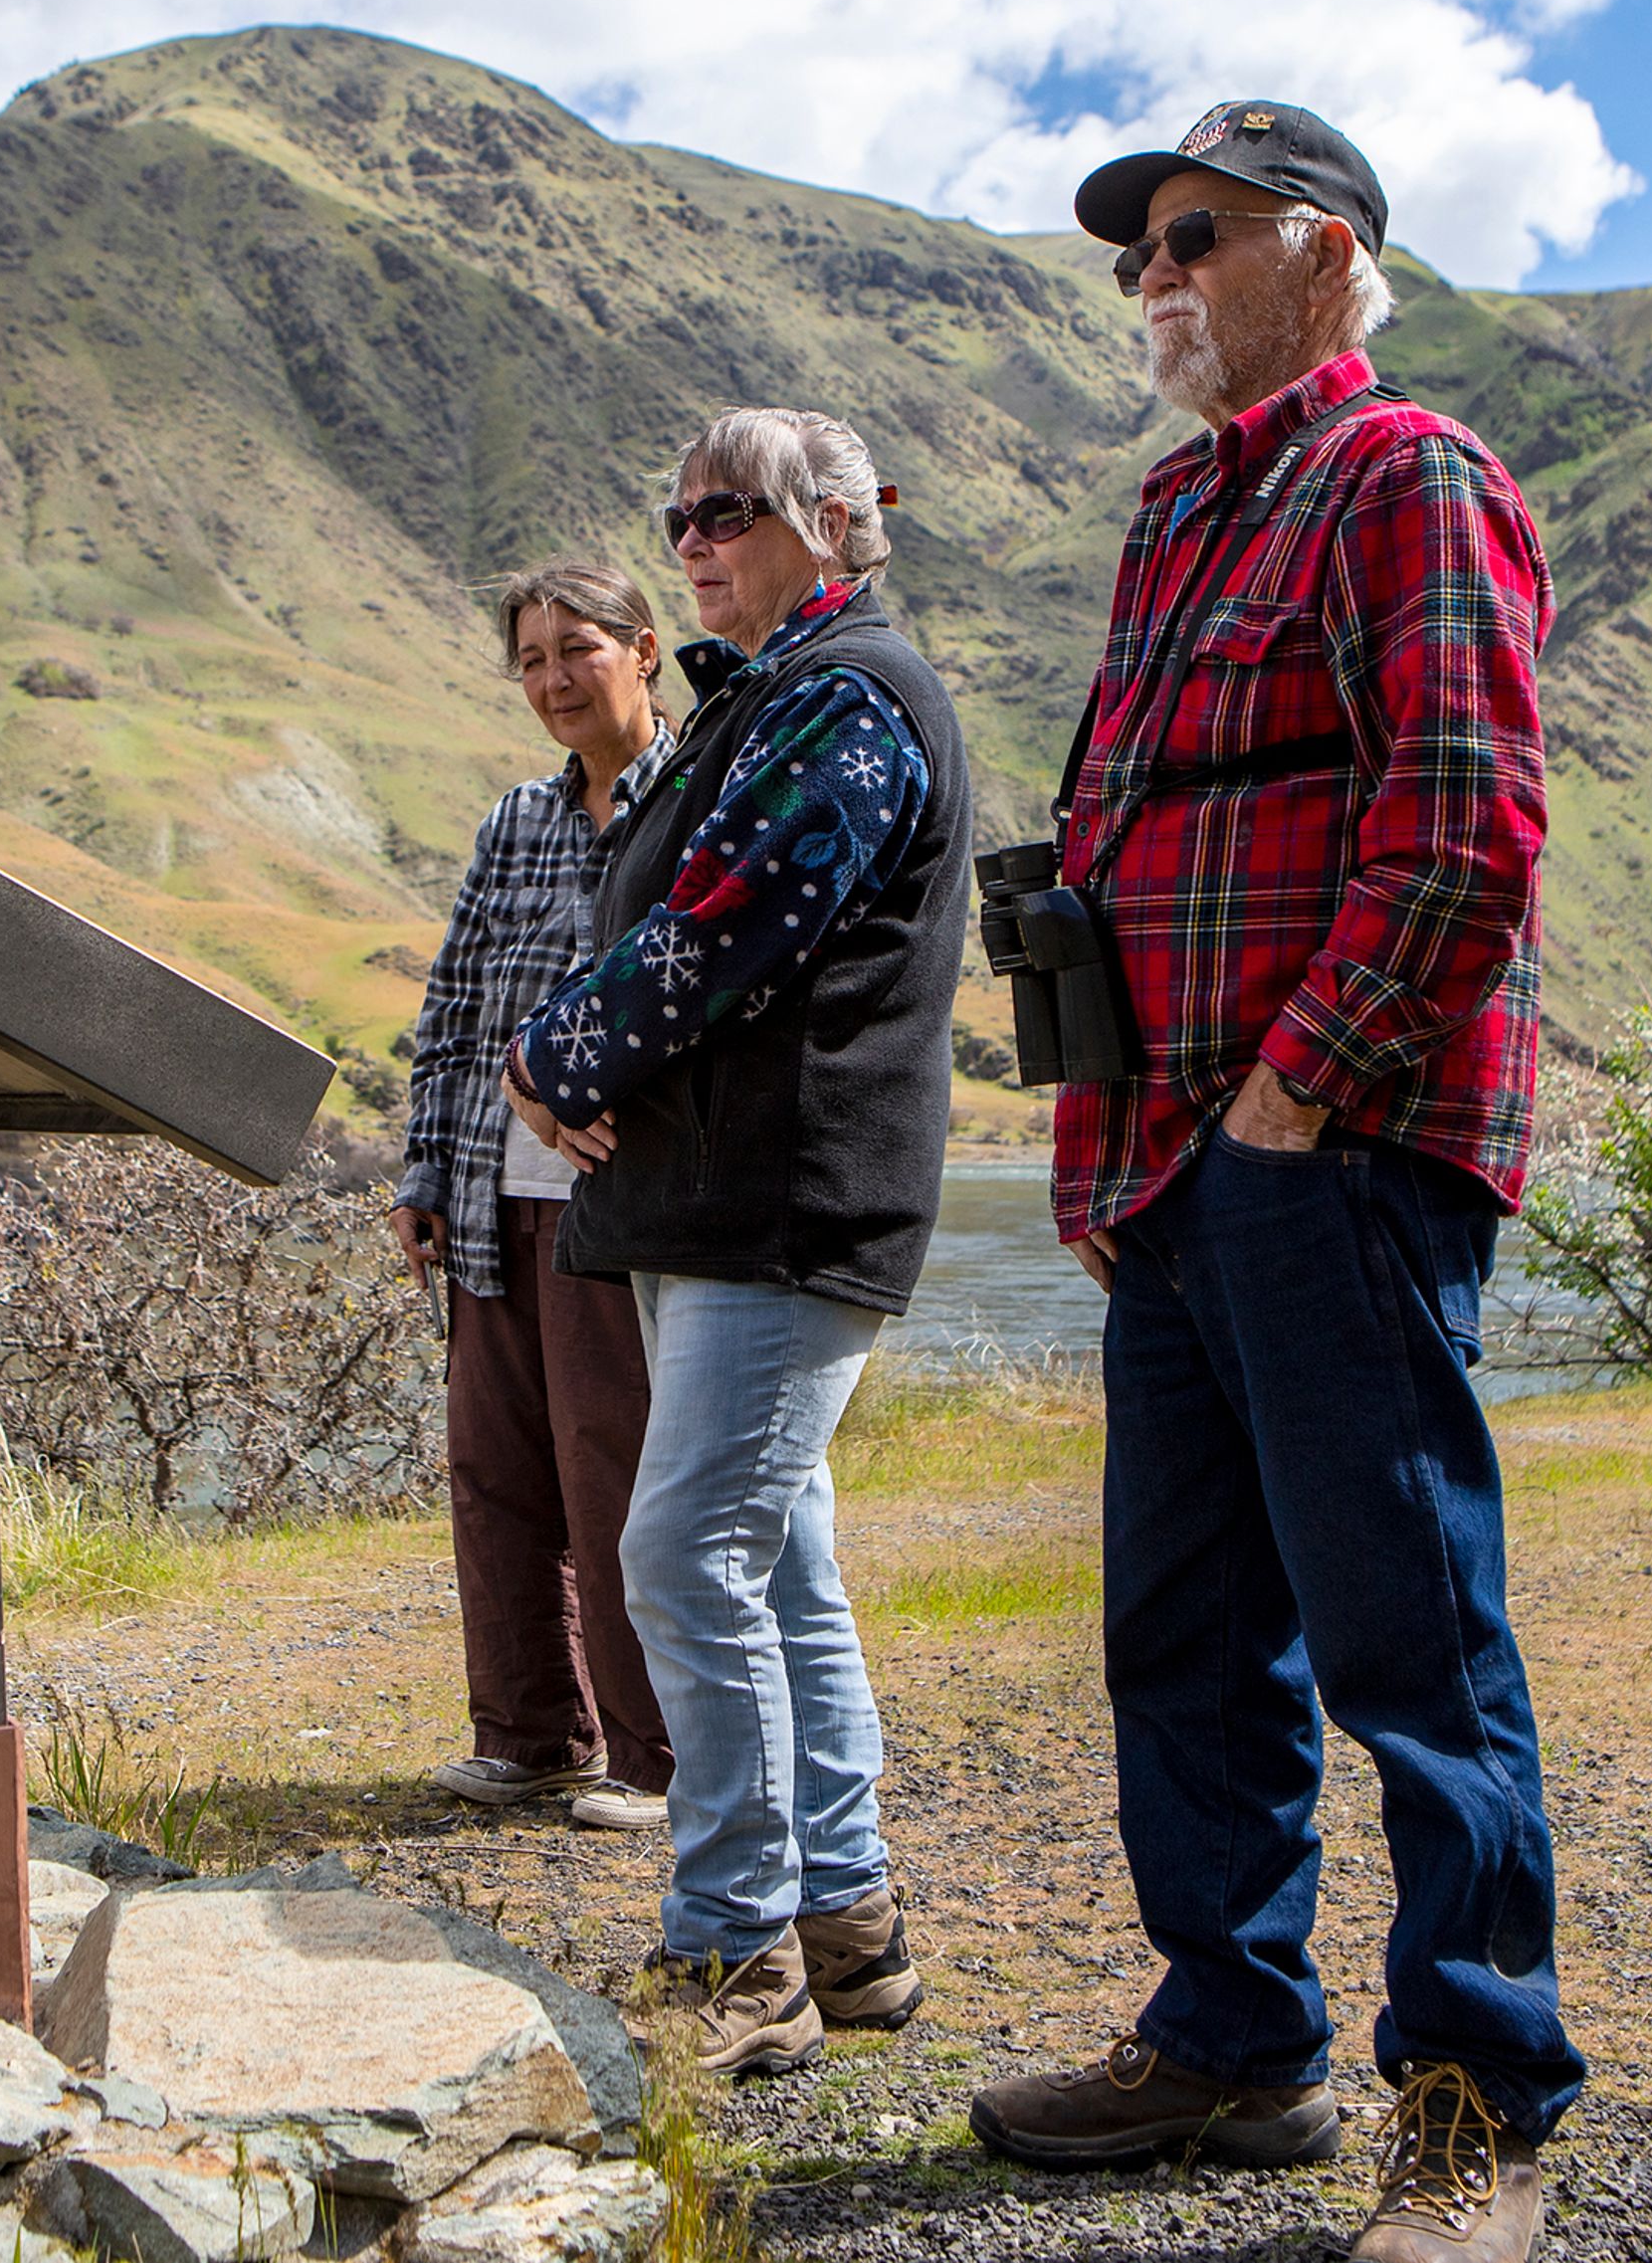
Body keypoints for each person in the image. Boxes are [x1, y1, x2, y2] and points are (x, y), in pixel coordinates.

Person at [961, 104, 1582, 2263]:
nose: (1153, 276)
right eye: (1136, 249)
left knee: (1411, 1637)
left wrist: (1296, 1098)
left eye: (1191, 237)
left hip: (1330, 1153)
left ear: (1323, 251)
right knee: (1186, 1634)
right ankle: (1233, 2036)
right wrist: (1122, 1147)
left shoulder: (1408, 469)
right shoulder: (1172, 517)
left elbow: (1468, 825)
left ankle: (1473, 2100)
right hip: (1171, 1169)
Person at [504, 407, 972, 2078]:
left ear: (835, 523)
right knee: (778, 1566)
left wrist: (549, 1058)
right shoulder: (769, 694)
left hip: (780, 1203)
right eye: (681, 511)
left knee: (683, 1555)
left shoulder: (846, 697)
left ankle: (735, 1957)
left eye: (732, 512)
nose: (695, 538)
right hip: (729, 1201)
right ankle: (845, 1935)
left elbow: (725, 935)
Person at [391, 562, 681, 1835]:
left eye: (579, 649)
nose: (555, 679)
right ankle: (526, 1737)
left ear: (644, 650)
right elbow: (455, 1005)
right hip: (484, 1193)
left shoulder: (702, 797)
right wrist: (420, 1174)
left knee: (614, 1470)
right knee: (495, 1469)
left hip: (618, 1197)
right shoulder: (514, 817)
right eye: (531, 660)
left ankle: (653, 1758)